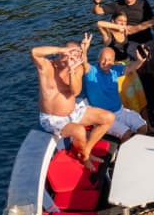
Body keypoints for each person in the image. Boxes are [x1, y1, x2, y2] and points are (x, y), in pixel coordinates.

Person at [32, 34, 115, 164]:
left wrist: (71, 71)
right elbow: (35, 52)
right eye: (70, 52)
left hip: (73, 112)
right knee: (80, 131)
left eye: (76, 55)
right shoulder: (47, 67)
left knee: (108, 118)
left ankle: (86, 151)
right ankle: (85, 158)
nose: (72, 57)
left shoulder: (77, 68)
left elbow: (75, 91)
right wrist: (60, 49)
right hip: (53, 118)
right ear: (62, 52)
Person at [93, 0, 154, 109]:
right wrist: (96, 2)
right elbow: (97, 12)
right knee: (136, 69)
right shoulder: (117, 5)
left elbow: (149, 24)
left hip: (146, 40)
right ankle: (141, 98)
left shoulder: (143, 3)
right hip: (128, 42)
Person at [81, 46, 150, 141]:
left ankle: (133, 147)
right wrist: (84, 50)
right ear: (99, 59)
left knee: (143, 127)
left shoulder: (114, 70)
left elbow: (130, 67)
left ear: (113, 61)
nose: (106, 62)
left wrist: (140, 61)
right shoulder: (91, 71)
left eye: (109, 60)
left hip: (120, 111)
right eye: (103, 59)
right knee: (126, 134)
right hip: (102, 116)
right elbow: (84, 63)